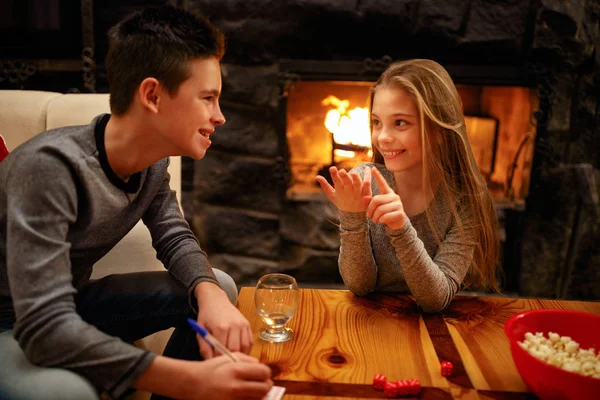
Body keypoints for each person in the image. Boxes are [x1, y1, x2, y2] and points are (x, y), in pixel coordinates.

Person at [0, 5, 273, 400]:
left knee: (219, 288)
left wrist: (209, 294)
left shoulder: (152, 165)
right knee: (66, 392)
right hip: (18, 322)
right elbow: (43, 327)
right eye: (208, 98)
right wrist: (187, 379)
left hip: (72, 302)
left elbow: (174, 236)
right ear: (152, 95)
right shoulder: (50, 168)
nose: (220, 116)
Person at [316, 59, 500, 312]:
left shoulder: (464, 200)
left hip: (435, 332)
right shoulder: (364, 181)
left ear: (438, 128)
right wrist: (352, 217)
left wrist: (401, 228)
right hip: (370, 323)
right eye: (377, 122)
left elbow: (436, 299)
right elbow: (360, 286)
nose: (382, 137)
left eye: (400, 123)